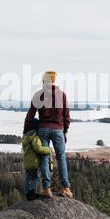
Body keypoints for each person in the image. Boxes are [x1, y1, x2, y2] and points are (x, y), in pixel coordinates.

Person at [23, 71, 73, 199]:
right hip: (58, 130)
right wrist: (65, 130)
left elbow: (30, 115)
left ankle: (46, 189)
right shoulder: (62, 95)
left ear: (44, 82)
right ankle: (66, 188)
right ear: (54, 81)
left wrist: (25, 131)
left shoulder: (38, 95)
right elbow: (66, 115)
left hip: (43, 129)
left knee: (45, 158)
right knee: (61, 158)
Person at [22, 118, 53, 200]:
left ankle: (26, 192)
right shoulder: (34, 137)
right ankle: (31, 192)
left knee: (28, 177)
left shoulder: (25, 137)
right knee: (35, 177)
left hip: (27, 162)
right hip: (33, 162)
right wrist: (49, 149)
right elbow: (38, 148)